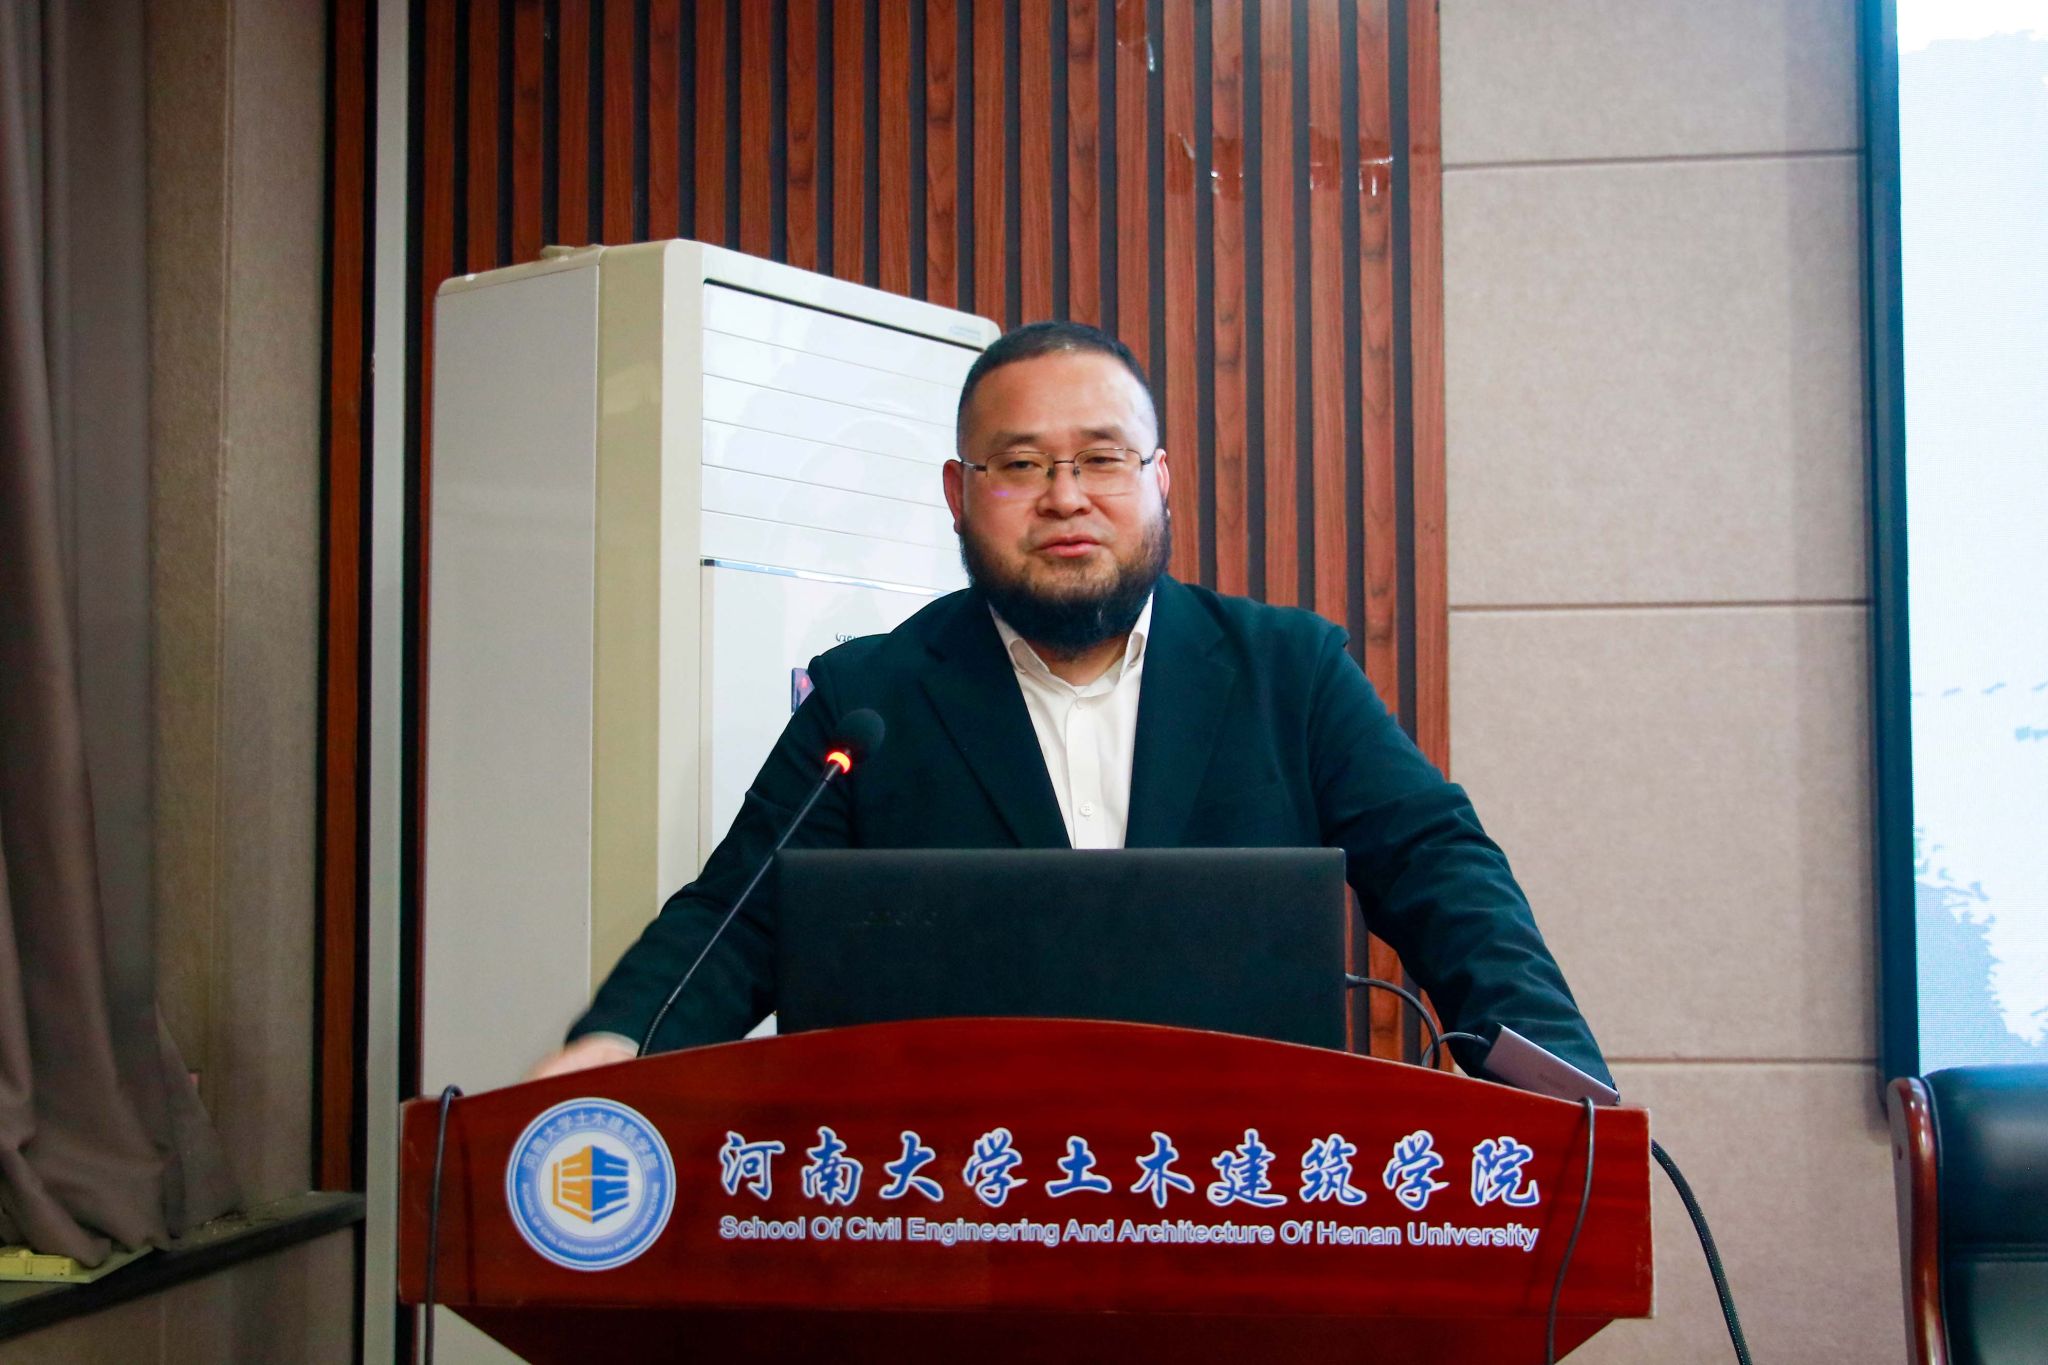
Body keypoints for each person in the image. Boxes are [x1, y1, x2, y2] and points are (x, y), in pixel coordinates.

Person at [530, 321, 1607, 1085]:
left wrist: (1545, 1065)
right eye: (1020, 466)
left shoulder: (1289, 671)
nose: (1065, 497)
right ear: (959, 494)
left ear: (1159, 481)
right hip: (957, 1218)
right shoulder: (871, 700)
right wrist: (616, 1046)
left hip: (1238, 1203)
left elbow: (1438, 867)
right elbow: (737, 918)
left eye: (1101, 458)